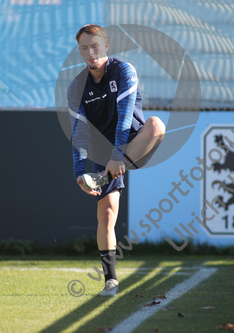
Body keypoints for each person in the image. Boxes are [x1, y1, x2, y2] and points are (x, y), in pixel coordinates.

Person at [67, 24, 165, 296]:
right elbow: (79, 134)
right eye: (84, 48)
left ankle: (106, 174)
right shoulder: (77, 87)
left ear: (106, 46)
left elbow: (124, 118)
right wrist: (78, 172)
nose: (90, 52)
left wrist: (118, 155)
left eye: (95, 45)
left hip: (134, 144)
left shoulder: (124, 70)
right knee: (106, 213)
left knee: (156, 124)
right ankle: (110, 280)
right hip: (106, 153)